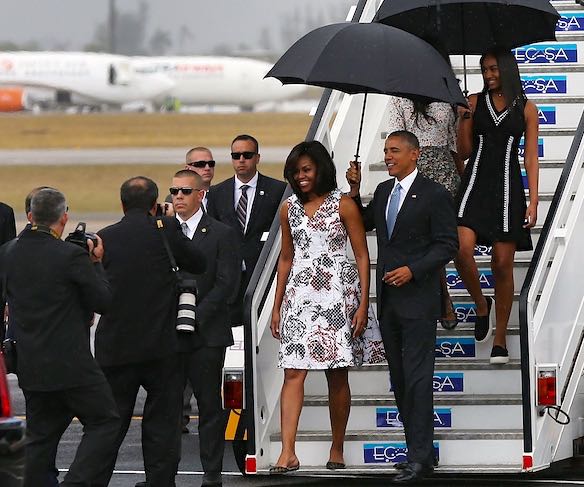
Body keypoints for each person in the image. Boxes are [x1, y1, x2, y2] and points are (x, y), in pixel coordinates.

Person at [346, 131, 458, 483]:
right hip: (389, 301)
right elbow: (363, 223)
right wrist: (354, 191)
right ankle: (417, 452)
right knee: (400, 378)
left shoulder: (435, 194)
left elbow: (447, 245)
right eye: (385, 151)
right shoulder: (383, 191)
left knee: (419, 379)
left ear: (415, 154)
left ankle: (420, 457)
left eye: (394, 150)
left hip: (420, 300)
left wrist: (413, 270)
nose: (388, 156)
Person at [270, 141, 385, 474]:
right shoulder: (288, 208)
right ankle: (288, 452)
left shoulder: (343, 204)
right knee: (293, 372)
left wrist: (363, 303)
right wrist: (277, 306)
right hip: (299, 297)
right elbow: (286, 258)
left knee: (337, 373)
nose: (301, 176)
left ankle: (337, 446)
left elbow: (361, 254)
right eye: (295, 171)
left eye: (306, 169)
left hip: (337, 294)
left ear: (320, 168)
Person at [0, 188, 121, 487]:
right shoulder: (70, 256)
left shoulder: (7, 253)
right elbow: (104, 301)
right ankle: (76, 482)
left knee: (40, 436)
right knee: (105, 421)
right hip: (72, 365)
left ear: (30, 216)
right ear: (64, 217)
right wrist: (96, 263)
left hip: (31, 363)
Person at [94, 176, 206, 486]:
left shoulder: (105, 237)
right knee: (162, 423)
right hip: (162, 346)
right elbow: (199, 262)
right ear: (156, 204)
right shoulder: (166, 230)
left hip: (116, 347)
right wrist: (171, 223)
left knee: (109, 424)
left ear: (122, 204)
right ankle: (159, 481)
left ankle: (93, 479)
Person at [456, 47, 539, 364]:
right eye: (484, 70)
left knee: (502, 263)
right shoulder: (474, 102)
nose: (488, 75)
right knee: (460, 248)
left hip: (508, 187)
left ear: (507, 68)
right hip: (475, 184)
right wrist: (463, 118)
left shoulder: (527, 108)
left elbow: (530, 157)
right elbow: (464, 152)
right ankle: (482, 306)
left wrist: (533, 199)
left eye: (493, 69)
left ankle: (500, 338)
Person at [171, 169, 241, 487]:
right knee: (168, 407)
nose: (178, 197)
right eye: (174, 191)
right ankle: (164, 473)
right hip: (169, 334)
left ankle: (212, 473)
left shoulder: (222, 233)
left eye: (185, 191)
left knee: (209, 405)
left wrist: (194, 315)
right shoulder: (163, 231)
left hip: (207, 334)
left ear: (200, 195)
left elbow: (228, 284)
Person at [386, 94, 462, 329]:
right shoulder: (399, 99)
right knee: (424, 240)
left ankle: (443, 298)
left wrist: (462, 118)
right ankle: (443, 296)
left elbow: (453, 143)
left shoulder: (447, 96)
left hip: (445, 170)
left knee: (443, 239)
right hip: (414, 169)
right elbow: (398, 140)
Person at [207, 134, 286, 324]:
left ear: (257, 158)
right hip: (229, 280)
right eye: (236, 156)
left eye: (247, 155)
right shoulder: (217, 192)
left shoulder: (278, 190)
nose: (241, 160)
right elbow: (212, 234)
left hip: (263, 278)